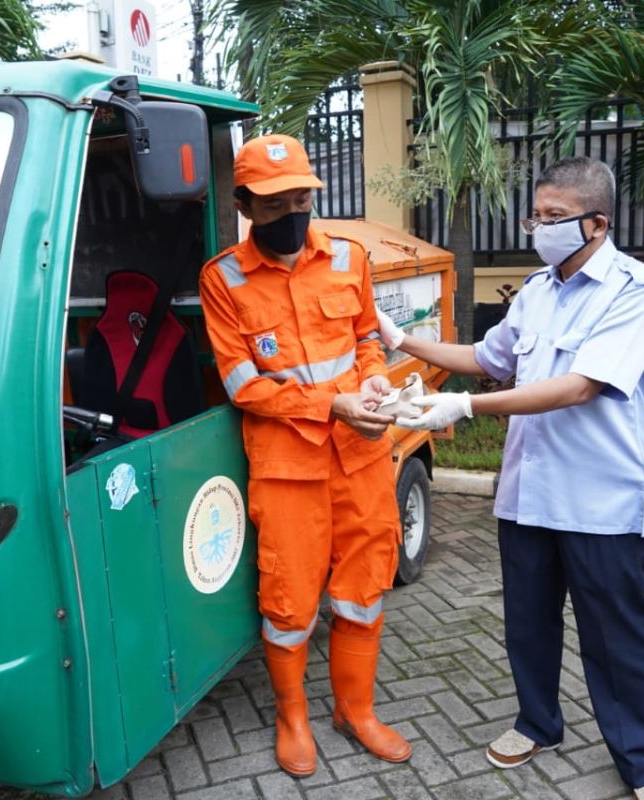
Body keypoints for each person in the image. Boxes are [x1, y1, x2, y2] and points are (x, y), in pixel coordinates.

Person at [379, 156, 644, 800]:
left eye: (553, 218)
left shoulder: (636, 289)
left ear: (596, 223)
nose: (537, 228)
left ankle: (643, 762)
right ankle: (537, 722)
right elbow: (486, 358)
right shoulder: (538, 291)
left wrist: (465, 406)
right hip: (528, 495)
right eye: (535, 215)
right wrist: (401, 340)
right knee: (528, 624)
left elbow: (579, 386)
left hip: (599, 500)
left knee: (616, 635)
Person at [198, 133, 411, 777]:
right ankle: (294, 719)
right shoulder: (223, 279)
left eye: (300, 199)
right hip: (289, 468)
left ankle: (356, 710)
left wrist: (372, 378)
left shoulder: (349, 257)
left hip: (362, 457)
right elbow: (244, 386)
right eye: (273, 204)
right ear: (244, 205)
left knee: (364, 590)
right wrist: (331, 405)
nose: (292, 213)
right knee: (290, 604)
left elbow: (366, 334)